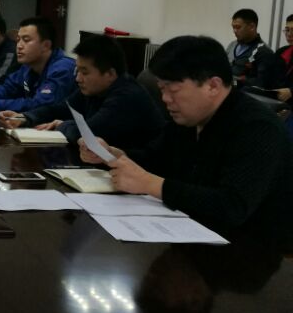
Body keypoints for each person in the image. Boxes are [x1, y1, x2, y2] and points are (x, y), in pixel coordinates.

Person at [80, 35, 293, 247]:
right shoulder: (188, 119)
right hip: (187, 232)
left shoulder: (257, 128)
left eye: (173, 90)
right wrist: (115, 156)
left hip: (247, 248)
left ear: (213, 86)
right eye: (162, 89)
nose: (165, 99)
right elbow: (155, 159)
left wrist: (152, 184)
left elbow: (231, 206)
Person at [0, 34, 165, 149]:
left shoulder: (126, 96)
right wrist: (25, 117)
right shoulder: (93, 88)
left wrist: (63, 124)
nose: (78, 78)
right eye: (77, 70)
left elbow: (86, 135)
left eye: (84, 72)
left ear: (110, 74)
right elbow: (60, 108)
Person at [0, 17, 76, 113]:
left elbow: (40, 105)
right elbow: (8, 87)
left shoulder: (62, 69)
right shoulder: (28, 65)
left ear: (46, 45)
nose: (19, 46)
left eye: (26, 40)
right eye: (18, 40)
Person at [225, 8, 274, 88]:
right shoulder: (232, 45)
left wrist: (235, 82)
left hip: (243, 93)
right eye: (233, 27)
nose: (234, 31)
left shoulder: (264, 52)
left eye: (238, 27)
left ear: (252, 27)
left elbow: (261, 83)